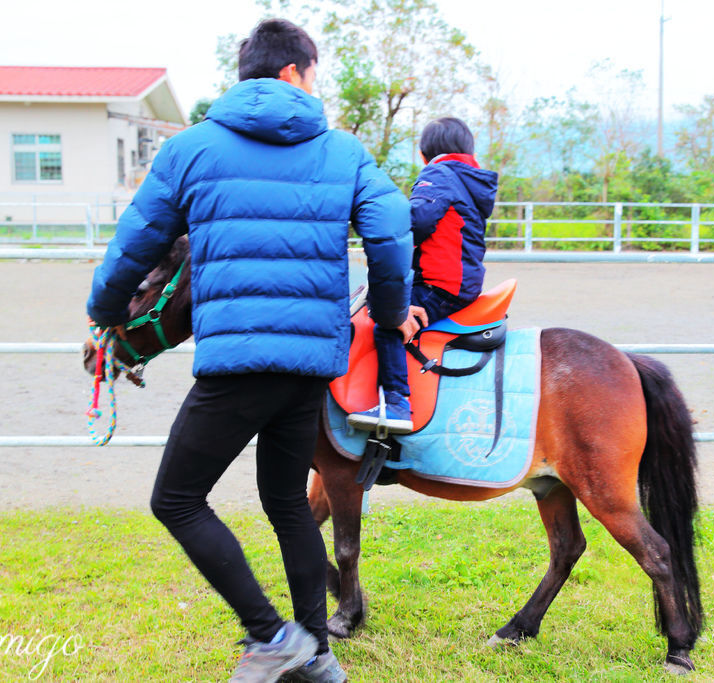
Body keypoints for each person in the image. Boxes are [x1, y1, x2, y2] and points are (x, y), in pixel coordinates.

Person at [87, 18, 418, 683]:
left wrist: (102, 312)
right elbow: (389, 234)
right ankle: (317, 655)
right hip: (308, 365)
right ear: (296, 72)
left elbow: (135, 246)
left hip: (237, 363)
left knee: (176, 498)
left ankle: (274, 637)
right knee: (287, 501)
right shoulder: (343, 151)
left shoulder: (189, 149)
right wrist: (386, 315)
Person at [347, 117, 499, 434]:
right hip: (459, 282)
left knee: (387, 320)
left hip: (439, 284)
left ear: (423, 154)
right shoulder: (469, 179)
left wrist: (373, 214)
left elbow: (416, 219)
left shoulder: (439, 174)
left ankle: (397, 404)